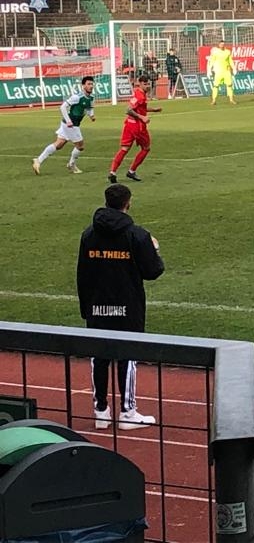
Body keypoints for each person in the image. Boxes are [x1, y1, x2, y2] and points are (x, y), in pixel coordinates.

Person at [77, 183, 164, 430]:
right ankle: (127, 412)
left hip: (97, 305)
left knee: (99, 356)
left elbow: (82, 273)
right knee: (128, 355)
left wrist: (86, 307)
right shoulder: (137, 234)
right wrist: (155, 249)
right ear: (128, 203)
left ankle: (100, 411)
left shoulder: (88, 234)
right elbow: (153, 271)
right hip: (127, 305)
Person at [33, 75, 96, 175]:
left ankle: (38, 161)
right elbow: (63, 107)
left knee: (59, 144)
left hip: (72, 124)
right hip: (71, 125)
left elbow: (89, 108)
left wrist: (91, 115)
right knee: (80, 146)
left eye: (92, 84)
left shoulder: (91, 97)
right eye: (88, 84)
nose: (91, 86)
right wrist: (68, 121)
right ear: (83, 85)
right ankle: (71, 165)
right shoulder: (77, 97)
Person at [109, 74, 161, 183]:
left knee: (124, 149)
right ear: (140, 84)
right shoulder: (140, 96)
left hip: (128, 124)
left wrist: (153, 110)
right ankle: (131, 171)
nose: (148, 86)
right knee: (146, 148)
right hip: (138, 127)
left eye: (149, 84)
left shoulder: (139, 93)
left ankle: (112, 172)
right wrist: (142, 117)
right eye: (145, 84)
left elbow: (140, 108)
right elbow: (128, 110)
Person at [207, 39, 237, 105]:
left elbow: (230, 61)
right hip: (218, 72)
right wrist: (209, 70)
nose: (222, 45)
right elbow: (212, 61)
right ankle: (214, 100)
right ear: (219, 45)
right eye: (221, 44)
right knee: (215, 86)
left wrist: (234, 68)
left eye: (223, 44)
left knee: (229, 85)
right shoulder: (216, 52)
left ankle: (231, 99)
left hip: (226, 71)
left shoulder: (228, 52)